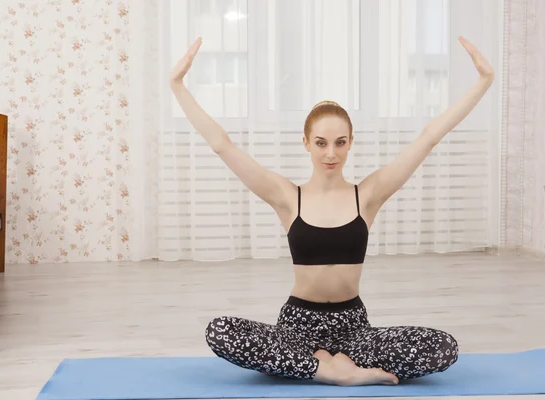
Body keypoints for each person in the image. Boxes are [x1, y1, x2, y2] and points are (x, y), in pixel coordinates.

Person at [168, 36, 495, 386]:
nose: (331, 154)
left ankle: (314, 366)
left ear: (350, 142)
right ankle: (333, 372)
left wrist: (483, 82)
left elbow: (428, 137)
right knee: (221, 331)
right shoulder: (286, 196)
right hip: (297, 327)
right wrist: (177, 85)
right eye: (321, 143)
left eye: (340, 142)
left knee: (443, 346)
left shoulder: (367, 195)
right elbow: (222, 145)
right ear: (306, 143)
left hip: (353, 328)